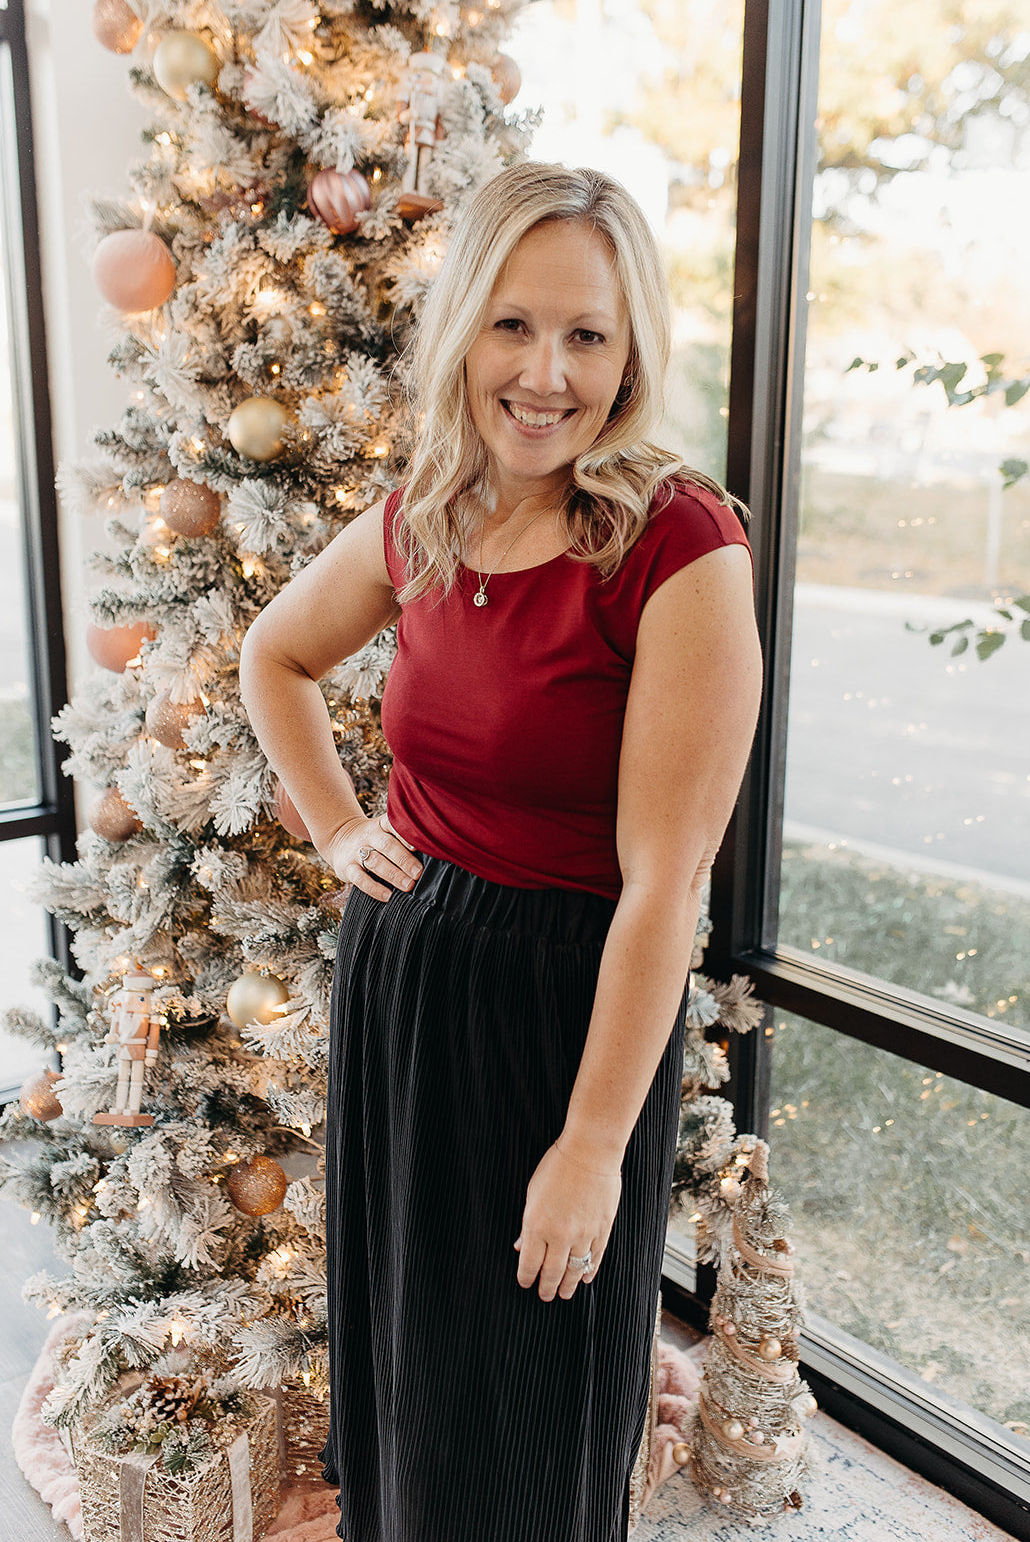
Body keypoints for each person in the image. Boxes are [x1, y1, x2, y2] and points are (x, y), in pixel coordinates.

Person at [239, 161, 762, 1542]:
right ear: (465, 326)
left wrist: (593, 1147)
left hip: (564, 1026)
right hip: (406, 996)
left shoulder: (676, 545)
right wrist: (341, 825)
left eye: (588, 334)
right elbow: (274, 655)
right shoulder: (426, 511)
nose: (547, 372)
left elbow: (665, 888)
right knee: (408, 1390)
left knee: (529, 1427)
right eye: (515, 325)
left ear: (632, 350)